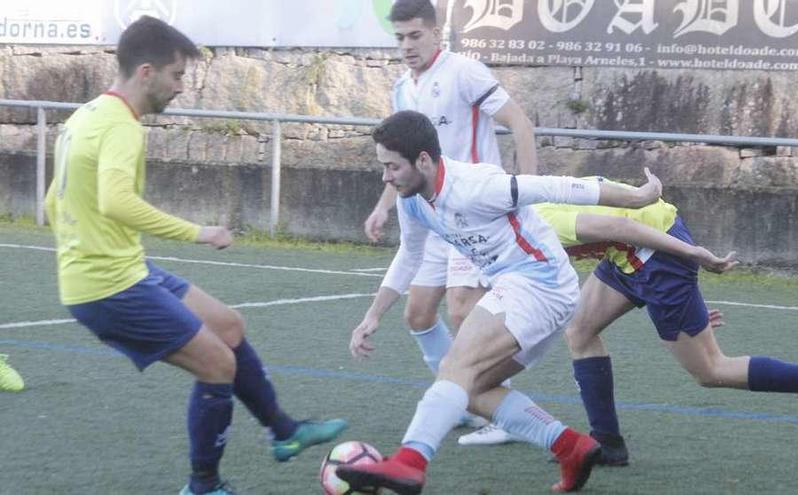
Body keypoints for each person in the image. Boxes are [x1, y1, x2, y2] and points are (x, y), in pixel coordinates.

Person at [42, 16, 346, 495]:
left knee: (228, 326)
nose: (181, 88)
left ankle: (285, 433)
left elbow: (52, 201)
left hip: (121, 270)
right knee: (217, 365)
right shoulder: (121, 125)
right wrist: (198, 231)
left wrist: (82, 248)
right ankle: (203, 486)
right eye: (177, 75)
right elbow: (115, 201)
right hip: (109, 286)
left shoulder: (84, 116)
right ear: (146, 72)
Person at [337, 110, 663, 494]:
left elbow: (557, 187)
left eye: (391, 167)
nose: (385, 178)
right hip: (522, 289)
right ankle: (570, 446)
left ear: (423, 160)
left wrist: (638, 197)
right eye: (383, 167)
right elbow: (409, 255)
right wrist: (373, 314)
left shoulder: (476, 186)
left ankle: (410, 462)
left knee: (454, 367)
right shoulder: (412, 199)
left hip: (540, 283)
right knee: (471, 390)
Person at [532, 192, 798, 466]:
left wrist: (693, 255)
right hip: (635, 252)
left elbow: (624, 229)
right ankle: (607, 442)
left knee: (710, 370)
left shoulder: (543, 225)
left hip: (654, 252)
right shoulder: (531, 200)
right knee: (580, 329)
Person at [364, 0, 539, 446]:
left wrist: (530, 188)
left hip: (473, 214)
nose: (406, 46)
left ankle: (499, 409)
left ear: (436, 33)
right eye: (399, 38)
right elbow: (403, 159)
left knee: (463, 310)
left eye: (415, 35)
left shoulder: (465, 71)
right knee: (418, 314)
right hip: (430, 218)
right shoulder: (403, 88)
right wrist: (385, 205)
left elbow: (520, 123)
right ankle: (462, 396)